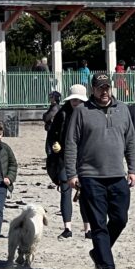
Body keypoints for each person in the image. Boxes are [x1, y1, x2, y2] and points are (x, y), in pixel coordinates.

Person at [65, 74, 135, 269]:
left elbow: (131, 141)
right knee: (98, 223)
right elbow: (71, 143)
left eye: (107, 87)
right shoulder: (81, 111)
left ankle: (98, 252)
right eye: (100, 88)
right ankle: (107, 266)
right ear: (93, 89)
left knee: (120, 219)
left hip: (117, 175)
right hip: (90, 176)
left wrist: (133, 170)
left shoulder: (123, 109)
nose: (104, 92)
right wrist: (72, 174)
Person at [49, 84, 91, 239]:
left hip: (84, 158)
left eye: (78, 100)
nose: (75, 102)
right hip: (64, 158)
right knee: (66, 192)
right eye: (73, 99)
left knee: (85, 194)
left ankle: (87, 229)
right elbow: (52, 134)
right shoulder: (62, 114)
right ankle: (67, 228)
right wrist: (54, 145)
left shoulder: (90, 113)